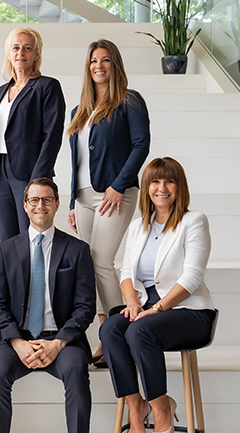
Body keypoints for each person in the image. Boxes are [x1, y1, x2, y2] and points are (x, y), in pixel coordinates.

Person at [0, 177, 96, 433]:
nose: (40, 206)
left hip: (63, 339)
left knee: (76, 371)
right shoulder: (5, 250)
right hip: (17, 338)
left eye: (47, 200)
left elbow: (85, 307)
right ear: (25, 205)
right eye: (34, 200)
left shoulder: (77, 250)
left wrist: (58, 342)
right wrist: (17, 343)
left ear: (57, 204)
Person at [99, 157, 215, 433]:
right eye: (155, 181)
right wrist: (133, 303)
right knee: (111, 329)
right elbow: (126, 272)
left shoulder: (194, 221)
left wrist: (154, 310)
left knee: (140, 330)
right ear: (146, 188)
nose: (161, 187)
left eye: (169, 180)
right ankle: (136, 406)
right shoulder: (139, 226)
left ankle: (162, 406)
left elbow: (191, 278)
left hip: (189, 311)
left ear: (179, 186)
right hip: (147, 307)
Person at [67, 39, 151, 368]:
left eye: (105, 60)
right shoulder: (80, 110)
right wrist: (74, 201)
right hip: (84, 197)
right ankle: (105, 334)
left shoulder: (129, 101)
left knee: (101, 260)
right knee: (87, 266)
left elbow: (141, 145)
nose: (98, 66)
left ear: (114, 65)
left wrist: (118, 185)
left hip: (116, 192)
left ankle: (121, 336)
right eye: (93, 61)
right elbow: (76, 160)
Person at [0, 27, 65, 242]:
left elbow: (52, 137)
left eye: (27, 48)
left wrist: (37, 181)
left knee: (32, 238)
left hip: (29, 172)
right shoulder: (0, 92)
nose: (21, 53)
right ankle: (14, 277)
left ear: (36, 54)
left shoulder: (47, 87)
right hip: (0, 175)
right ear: (8, 53)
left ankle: (33, 277)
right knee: (8, 241)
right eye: (15, 48)